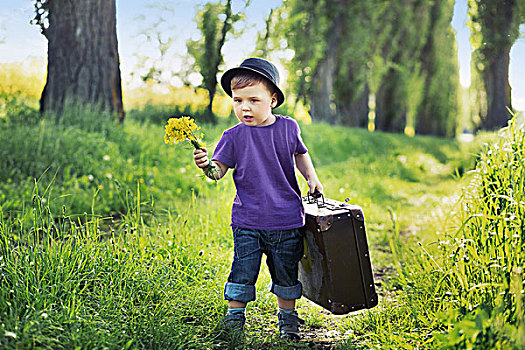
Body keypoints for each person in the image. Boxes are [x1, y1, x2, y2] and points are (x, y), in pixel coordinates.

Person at [193, 57, 323, 340]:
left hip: (286, 219)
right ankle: (234, 318)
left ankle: (288, 318)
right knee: (243, 268)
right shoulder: (233, 136)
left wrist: (311, 178)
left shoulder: (288, 128)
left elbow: (301, 153)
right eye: (238, 101)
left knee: (286, 272)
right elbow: (218, 172)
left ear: (272, 99)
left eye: (253, 99)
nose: (245, 107)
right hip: (247, 220)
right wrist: (206, 166)